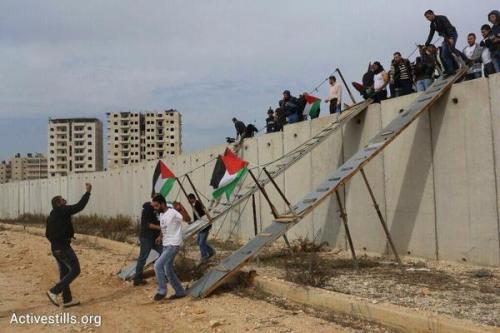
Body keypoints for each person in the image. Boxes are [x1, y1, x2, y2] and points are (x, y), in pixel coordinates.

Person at [45, 183, 92, 308]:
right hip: (63, 248)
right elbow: (79, 206)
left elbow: (47, 234)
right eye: (62, 199)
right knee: (76, 270)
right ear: (58, 203)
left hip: (55, 248)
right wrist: (87, 192)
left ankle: (67, 300)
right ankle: (54, 291)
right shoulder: (62, 210)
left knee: (65, 272)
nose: (64, 199)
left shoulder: (52, 215)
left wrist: (56, 243)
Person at [151, 195, 191, 301]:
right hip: (165, 244)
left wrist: (181, 209)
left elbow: (188, 219)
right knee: (167, 269)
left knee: (157, 265)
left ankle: (162, 291)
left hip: (173, 245)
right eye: (154, 206)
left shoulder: (173, 212)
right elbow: (164, 228)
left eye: (156, 205)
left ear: (162, 204)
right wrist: (160, 236)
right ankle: (180, 292)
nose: (155, 208)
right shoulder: (161, 214)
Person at [132, 197, 162, 286]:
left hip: (154, 237)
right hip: (146, 237)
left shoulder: (156, 210)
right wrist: (161, 228)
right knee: (143, 258)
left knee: (164, 253)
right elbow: (148, 224)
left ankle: (162, 275)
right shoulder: (148, 210)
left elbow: (158, 221)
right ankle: (137, 278)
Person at [424, 10, 461, 76]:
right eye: (427, 18)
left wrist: (451, 38)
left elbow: (448, 27)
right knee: (444, 54)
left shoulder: (442, 18)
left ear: (432, 14)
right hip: (446, 37)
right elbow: (431, 34)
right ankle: (451, 69)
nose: (428, 19)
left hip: (452, 34)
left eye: (428, 17)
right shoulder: (432, 24)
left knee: (450, 49)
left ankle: (464, 60)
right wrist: (426, 44)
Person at [187, 193, 215, 264]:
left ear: (192, 199)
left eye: (189, 200)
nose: (188, 202)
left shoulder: (198, 204)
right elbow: (198, 216)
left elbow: (203, 214)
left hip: (204, 226)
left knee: (201, 242)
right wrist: (194, 223)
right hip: (200, 226)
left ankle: (204, 256)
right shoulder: (195, 205)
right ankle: (211, 251)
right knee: (199, 241)